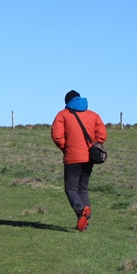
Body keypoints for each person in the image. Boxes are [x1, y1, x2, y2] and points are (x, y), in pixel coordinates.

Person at [51, 90, 107, 232]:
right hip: (89, 158)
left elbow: (57, 136)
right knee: (82, 189)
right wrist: (94, 144)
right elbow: (102, 135)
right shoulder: (93, 115)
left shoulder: (62, 115)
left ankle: (82, 210)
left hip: (72, 158)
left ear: (67, 102)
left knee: (70, 189)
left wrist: (66, 148)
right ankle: (84, 223)